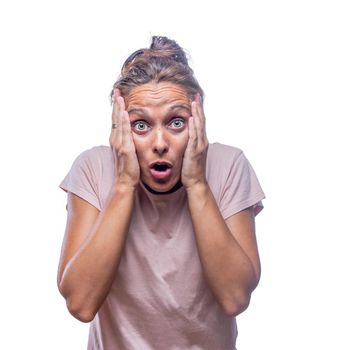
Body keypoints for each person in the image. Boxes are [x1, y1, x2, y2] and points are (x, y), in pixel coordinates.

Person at [57, 36, 265, 349]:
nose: (159, 143)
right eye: (140, 125)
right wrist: (124, 184)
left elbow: (235, 297)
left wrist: (197, 183)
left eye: (176, 122)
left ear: (198, 121)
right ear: (120, 126)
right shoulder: (93, 168)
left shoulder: (229, 166)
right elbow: (81, 304)